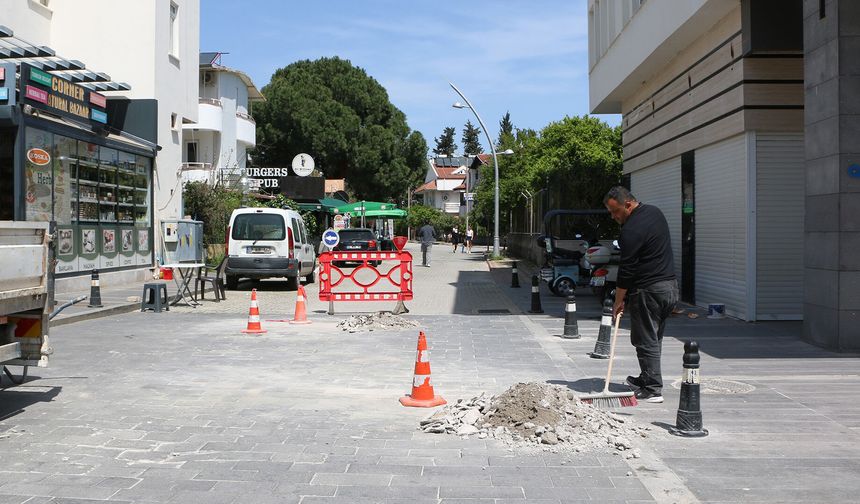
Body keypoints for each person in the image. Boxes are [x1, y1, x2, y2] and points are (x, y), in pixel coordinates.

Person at [604, 186, 678, 404]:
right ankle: (647, 377)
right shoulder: (654, 212)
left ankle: (653, 389)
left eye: (615, 211)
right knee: (654, 338)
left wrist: (619, 301)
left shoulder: (630, 230)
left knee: (645, 339)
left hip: (649, 290)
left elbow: (626, 270)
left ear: (628, 204)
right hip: (669, 287)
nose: (613, 217)